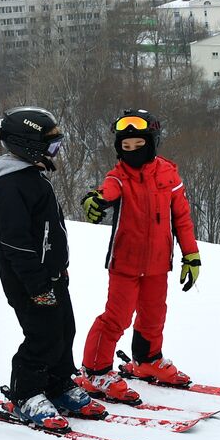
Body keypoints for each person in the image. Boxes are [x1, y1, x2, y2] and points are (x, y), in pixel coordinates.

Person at [0, 107, 104, 429]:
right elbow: (16, 244)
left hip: (51, 277)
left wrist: (56, 270)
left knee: (64, 329)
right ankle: (26, 393)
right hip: (28, 282)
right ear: (28, 146)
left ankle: (58, 382)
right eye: (51, 147)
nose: (55, 153)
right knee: (42, 334)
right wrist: (36, 285)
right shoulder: (9, 186)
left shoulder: (30, 178)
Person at [78, 109, 202, 404]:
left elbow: (181, 218)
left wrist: (191, 255)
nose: (131, 151)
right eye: (125, 146)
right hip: (125, 263)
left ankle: (147, 361)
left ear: (152, 142)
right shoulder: (118, 177)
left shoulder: (169, 174)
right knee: (116, 318)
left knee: (154, 315)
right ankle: (94, 370)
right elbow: (106, 191)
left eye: (138, 144)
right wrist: (93, 199)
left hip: (159, 263)